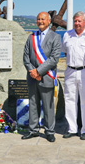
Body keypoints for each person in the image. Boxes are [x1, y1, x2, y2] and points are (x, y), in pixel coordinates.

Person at [21, 12, 61, 142]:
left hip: (46, 76)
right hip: (32, 77)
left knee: (48, 105)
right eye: (38, 19)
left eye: (43, 19)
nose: (40, 21)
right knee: (33, 104)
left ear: (49, 21)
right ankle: (33, 130)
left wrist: (38, 72)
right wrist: (32, 71)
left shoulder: (55, 37)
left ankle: (49, 131)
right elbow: (26, 56)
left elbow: (54, 59)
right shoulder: (31, 37)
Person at [61, 11, 85, 140]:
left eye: (79, 21)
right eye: (75, 21)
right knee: (69, 100)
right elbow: (64, 51)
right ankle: (72, 128)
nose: (77, 23)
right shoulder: (67, 35)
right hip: (70, 71)